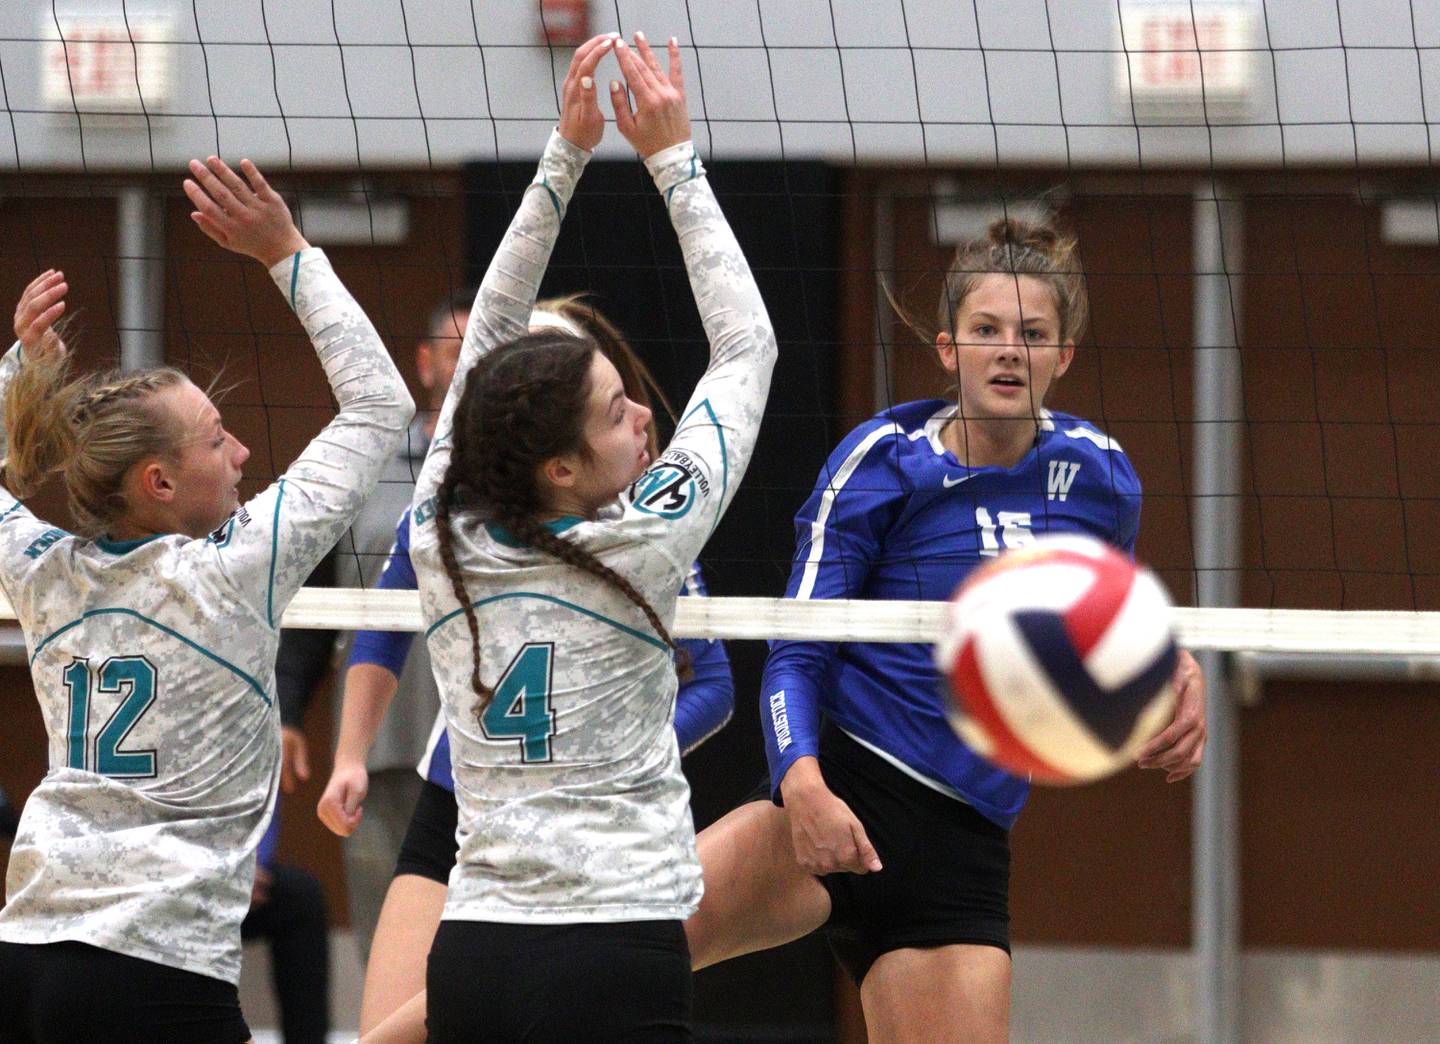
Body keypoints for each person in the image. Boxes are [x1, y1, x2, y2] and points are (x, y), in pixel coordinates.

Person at [683, 217, 1208, 1042]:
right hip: (839, 790)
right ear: (946, 348)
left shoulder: (1099, 478)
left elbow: (1113, 624)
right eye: (986, 331)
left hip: (959, 847)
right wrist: (802, 783)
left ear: (1063, 355)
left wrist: (1177, 668)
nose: (1008, 352)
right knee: (597, 958)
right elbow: (795, 651)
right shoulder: (882, 463)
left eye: (1032, 335)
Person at [402, 30, 775, 1042]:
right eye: (617, 413)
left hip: (475, 947)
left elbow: (483, 339)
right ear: (561, 467)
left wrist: (562, 160)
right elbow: (745, 347)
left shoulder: (442, 536)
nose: (643, 418)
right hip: (614, 946)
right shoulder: (645, 546)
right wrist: (672, 160)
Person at [0, 156, 413, 1043]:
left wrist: (20, 372)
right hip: (157, 979)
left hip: (26, 957)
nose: (241, 457)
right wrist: (286, 251)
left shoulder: (41, 566)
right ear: (158, 481)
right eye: (217, 440)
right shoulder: (234, 569)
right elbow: (380, 407)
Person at [315, 296, 736, 1036]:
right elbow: (381, 626)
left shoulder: (646, 529)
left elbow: (717, 683)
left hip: (597, 843)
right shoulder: (453, 527)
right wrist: (350, 753)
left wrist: (611, 751)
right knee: (396, 1019)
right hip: (455, 800)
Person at [272, 288, 469, 960]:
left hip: (483, 744)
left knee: (472, 942)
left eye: (487, 350)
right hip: (381, 746)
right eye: (457, 348)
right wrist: (289, 710)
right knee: (389, 942)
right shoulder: (371, 466)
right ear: (424, 363)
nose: (470, 363)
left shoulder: (519, 472)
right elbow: (315, 597)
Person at [240, 807, 330, 1044]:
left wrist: (252, 862)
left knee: (301, 896)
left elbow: (264, 807)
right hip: (167, 875)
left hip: (241, 869)